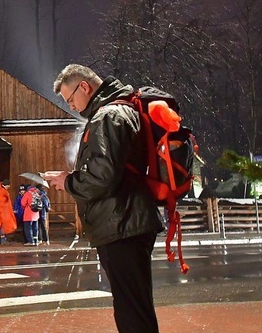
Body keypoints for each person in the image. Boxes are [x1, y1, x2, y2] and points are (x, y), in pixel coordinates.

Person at [49, 63, 164, 333]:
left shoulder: (108, 116)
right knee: (134, 306)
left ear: (84, 87)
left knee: (132, 311)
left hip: (121, 224)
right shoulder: (119, 111)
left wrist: (67, 181)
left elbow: (103, 176)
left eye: (70, 99)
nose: (72, 107)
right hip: (125, 220)